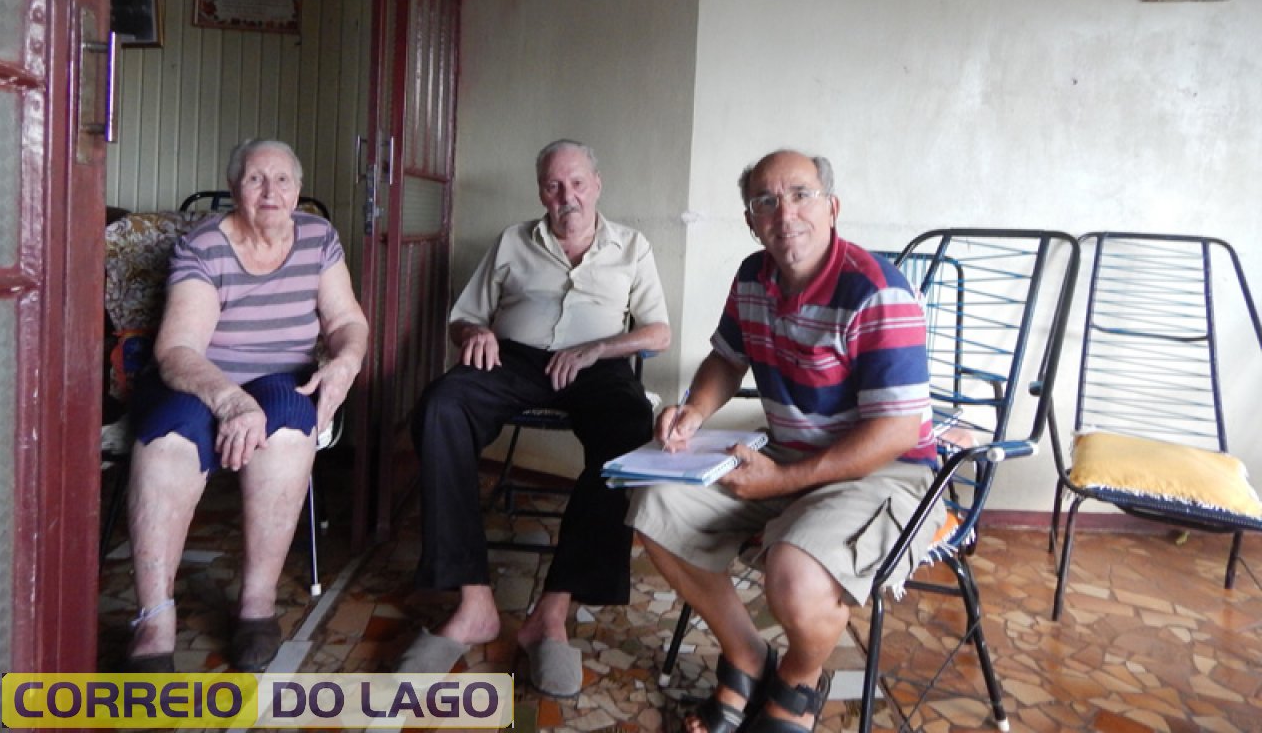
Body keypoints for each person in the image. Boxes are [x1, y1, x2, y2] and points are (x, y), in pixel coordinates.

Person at [627, 150, 942, 733]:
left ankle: (797, 683)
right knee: (653, 504)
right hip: (788, 456)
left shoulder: (876, 290)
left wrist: (783, 480)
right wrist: (695, 410)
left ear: (832, 207)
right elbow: (727, 357)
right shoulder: (753, 276)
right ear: (751, 220)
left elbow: (896, 432)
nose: (785, 213)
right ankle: (747, 655)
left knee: (793, 575)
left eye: (801, 194)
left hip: (887, 472)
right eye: (766, 201)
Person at [402, 139, 670, 698]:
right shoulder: (512, 241)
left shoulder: (632, 246)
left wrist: (599, 349)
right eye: (553, 185)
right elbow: (466, 317)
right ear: (541, 191)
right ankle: (473, 603)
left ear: (596, 185)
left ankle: (551, 614)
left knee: (629, 433)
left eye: (576, 183)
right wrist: (473, 332)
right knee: (441, 408)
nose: (566, 196)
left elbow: (657, 332)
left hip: (597, 363)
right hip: (515, 358)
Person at [124, 139, 369, 672]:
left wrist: (345, 362)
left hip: (281, 376)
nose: (270, 191)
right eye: (256, 179)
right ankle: (154, 619)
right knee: (168, 442)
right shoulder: (205, 244)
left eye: (283, 180)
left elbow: (347, 320)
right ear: (234, 189)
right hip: (199, 377)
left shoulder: (318, 238)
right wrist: (230, 399)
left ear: (299, 191)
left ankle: (256, 605)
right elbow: (177, 350)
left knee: (286, 434)